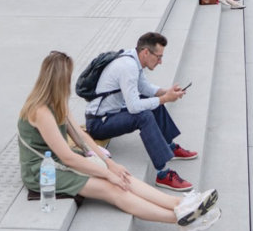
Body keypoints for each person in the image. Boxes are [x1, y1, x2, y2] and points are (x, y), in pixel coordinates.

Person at [19, 51, 220, 231]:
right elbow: (67, 157)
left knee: (122, 175)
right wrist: (107, 173)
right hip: (42, 171)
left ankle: (180, 203)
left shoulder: (57, 102)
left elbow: (81, 136)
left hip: (58, 161)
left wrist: (108, 162)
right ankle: (182, 220)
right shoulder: (41, 111)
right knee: (113, 189)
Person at [84, 33, 202, 192]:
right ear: (146, 52)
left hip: (113, 111)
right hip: (99, 123)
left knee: (154, 100)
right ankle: (163, 174)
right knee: (144, 115)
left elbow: (145, 88)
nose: (160, 61)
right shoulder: (128, 67)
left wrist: (165, 92)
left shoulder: (132, 59)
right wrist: (165, 99)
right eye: (158, 57)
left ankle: (170, 147)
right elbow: (133, 107)